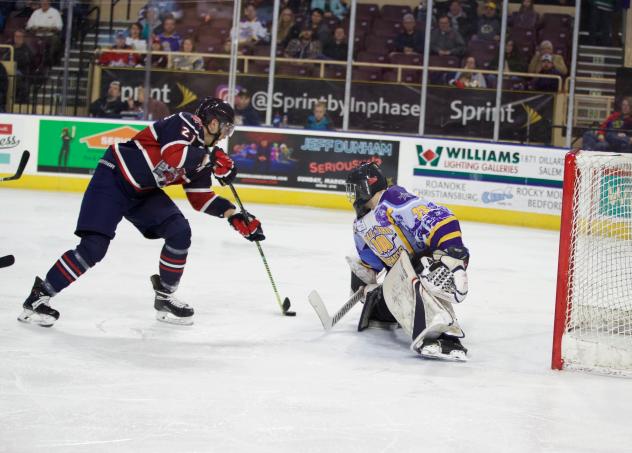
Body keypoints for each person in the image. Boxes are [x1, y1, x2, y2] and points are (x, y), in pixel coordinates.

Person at [18, 98, 265, 328]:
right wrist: (211, 157)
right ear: (213, 123)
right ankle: (40, 296)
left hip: (144, 192)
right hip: (114, 178)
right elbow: (174, 155)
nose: (224, 136)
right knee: (93, 248)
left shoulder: (203, 157)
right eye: (226, 128)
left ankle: (165, 297)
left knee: (179, 231)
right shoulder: (185, 122)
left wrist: (232, 214)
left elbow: (200, 198)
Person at [345, 162, 470, 361]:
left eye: (354, 188)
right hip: (399, 273)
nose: (352, 195)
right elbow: (370, 261)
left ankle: (446, 334)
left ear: (366, 186)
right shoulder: (359, 224)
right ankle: (382, 313)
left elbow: (439, 217)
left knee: (422, 273)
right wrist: (362, 279)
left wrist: (452, 248)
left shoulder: (393, 199)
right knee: (390, 287)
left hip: (427, 266)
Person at [25, 0, 63, 65]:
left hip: (50, 36)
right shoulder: (36, 13)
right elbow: (28, 26)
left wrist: (46, 29)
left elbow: (59, 27)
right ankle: (32, 62)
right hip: (37, 36)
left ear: (49, 2)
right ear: (40, 3)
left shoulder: (55, 12)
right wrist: (36, 29)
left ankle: (49, 62)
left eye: (46, 2)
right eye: (43, 2)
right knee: (27, 40)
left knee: (55, 40)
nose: (44, 3)